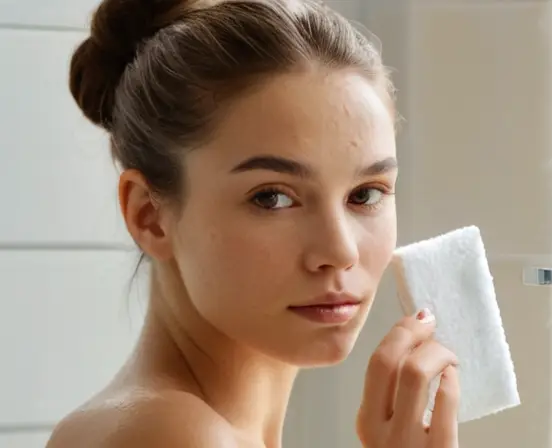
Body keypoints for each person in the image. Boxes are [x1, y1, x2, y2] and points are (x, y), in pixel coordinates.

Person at [46, 1, 460, 447]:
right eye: (273, 197)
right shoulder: (173, 435)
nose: (341, 251)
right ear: (150, 215)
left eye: (366, 194)